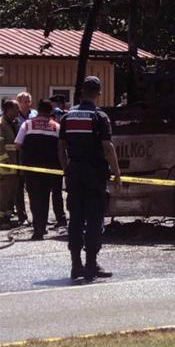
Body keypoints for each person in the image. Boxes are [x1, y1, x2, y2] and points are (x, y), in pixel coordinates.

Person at [58, 76, 122, 282]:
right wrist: (117, 173)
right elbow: (107, 147)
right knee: (94, 218)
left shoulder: (67, 117)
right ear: (99, 93)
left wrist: (66, 167)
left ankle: (76, 265)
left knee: (75, 217)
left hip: (74, 172)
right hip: (94, 173)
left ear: (81, 92)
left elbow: (60, 146)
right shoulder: (99, 116)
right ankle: (91, 265)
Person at [15, 100, 61, 240]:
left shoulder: (27, 124)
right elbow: (60, 147)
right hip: (49, 168)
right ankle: (42, 226)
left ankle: (38, 228)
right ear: (50, 112)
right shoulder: (56, 126)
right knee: (45, 196)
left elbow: (17, 144)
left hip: (30, 167)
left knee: (34, 197)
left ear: (38, 110)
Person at [0, 100, 22, 229]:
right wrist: (5, 161)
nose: (18, 112)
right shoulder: (1, 124)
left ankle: (7, 217)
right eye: (16, 109)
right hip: (6, 166)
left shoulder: (15, 123)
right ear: (8, 109)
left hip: (16, 165)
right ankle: (1, 219)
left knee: (12, 194)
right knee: (3, 193)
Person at [48, 95, 69, 227]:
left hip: (68, 155)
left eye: (54, 104)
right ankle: (60, 218)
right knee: (56, 191)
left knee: (70, 189)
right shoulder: (51, 118)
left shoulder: (68, 116)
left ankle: (69, 217)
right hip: (54, 158)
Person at [14, 91, 35, 225]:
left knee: (33, 187)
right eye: (24, 101)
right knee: (19, 187)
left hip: (34, 154)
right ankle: (22, 215)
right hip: (19, 155)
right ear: (19, 103)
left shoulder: (35, 115)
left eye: (29, 101)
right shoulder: (15, 118)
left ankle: (36, 216)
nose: (27, 103)